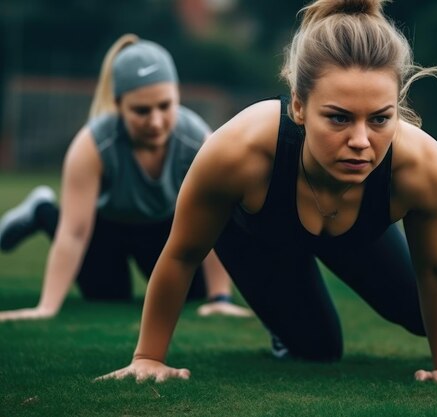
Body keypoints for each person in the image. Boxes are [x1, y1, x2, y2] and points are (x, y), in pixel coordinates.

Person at [98, 0, 437, 387]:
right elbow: (182, 253)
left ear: (398, 106)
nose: (360, 141)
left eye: (380, 119)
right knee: (317, 349)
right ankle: (281, 323)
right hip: (259, 239)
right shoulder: (238, 151)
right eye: (338, 118)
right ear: (299, 106)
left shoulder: (424, 168)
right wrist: (149, 357)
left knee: (416, 309)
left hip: (355, 236)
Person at [0, 34, 252, 321]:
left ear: (177, 96)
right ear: (119, 105)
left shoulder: (197, 140)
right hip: (108, 226)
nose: (155, 121)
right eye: (141, 111)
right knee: (107, 295)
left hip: (162, 226)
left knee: (193, 294)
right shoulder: (93, 145)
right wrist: (46, 307)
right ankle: (43, 211)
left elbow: (212, 219)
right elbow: (75, 232)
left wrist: (219, 297)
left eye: (165, 106)